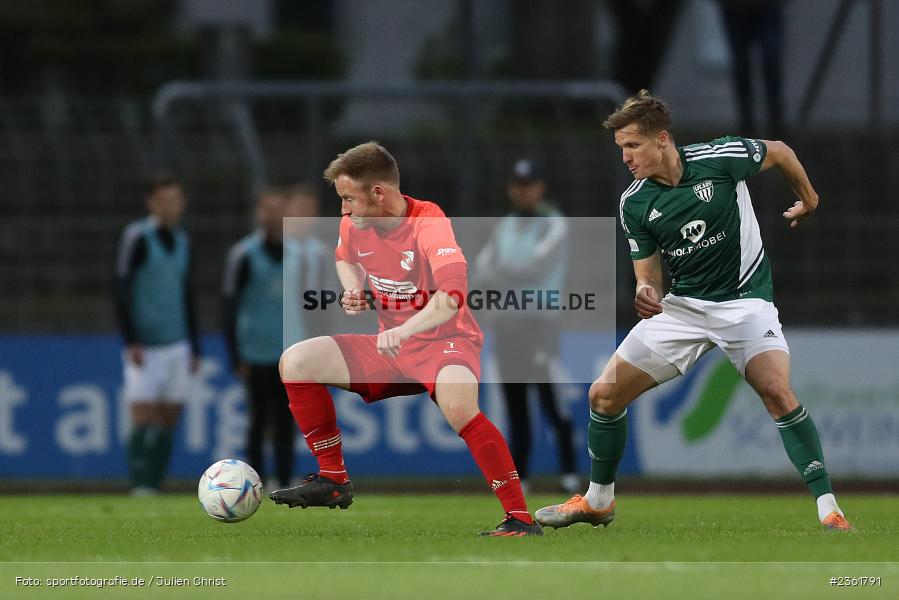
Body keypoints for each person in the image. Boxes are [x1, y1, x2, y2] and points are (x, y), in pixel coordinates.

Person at [535, 90, 852, 532]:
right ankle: (598, 500)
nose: (626, 157)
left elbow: (779, 152)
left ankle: (829, 509)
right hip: (683, 309)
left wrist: (810, 198)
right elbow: (649, 276)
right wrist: (646, 292)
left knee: (775, 390)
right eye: (621, 148)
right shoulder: (635, 203)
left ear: (662, 139)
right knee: (603, 395)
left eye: (633, 146)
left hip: (745, 303)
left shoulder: (720, 158)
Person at [271, 142, 542, 536]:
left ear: (378, 193)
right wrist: (354, 287)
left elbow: (452, 298)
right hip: (392, 348)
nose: (343, 210)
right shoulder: (355, 222)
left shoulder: (429, 222)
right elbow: (344, 256)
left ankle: (519, 519)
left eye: (349, 199)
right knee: (295, 361)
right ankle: (333, 480)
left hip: (446, 342)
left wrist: (404, 329)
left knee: (459, 408)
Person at [474, 158, 578, 494]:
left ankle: (570, 472)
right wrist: (507, 274)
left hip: (540, 323)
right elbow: (481, 270)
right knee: (515, 402)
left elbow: (534, 267)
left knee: (551, 398)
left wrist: (503, 274)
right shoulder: (504, 225)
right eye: (518, 185)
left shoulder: (554, 222)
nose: (523, 191)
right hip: (507, 323)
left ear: (540, 187)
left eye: (529, 184)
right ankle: (523, 477)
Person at [222, 186, 319, 490]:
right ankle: (255, 480)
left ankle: (284, 478)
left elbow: (308, 307)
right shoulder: (244, 255)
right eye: (269, 210)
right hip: (256, 351)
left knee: (287, 420)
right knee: (257, 420)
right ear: (259, 214)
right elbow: (229, 307)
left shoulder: (299, 256)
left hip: (290, 352)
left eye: (280, 210)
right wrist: (236, 355)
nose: (275, 217)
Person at [115, 173, 200, 496]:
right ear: (151, 203)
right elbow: (121, 289)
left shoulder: (183, 241)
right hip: (145, 343)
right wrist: (131, 339)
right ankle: (140, 484)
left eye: (176, 199)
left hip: (177, 340)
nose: (171, 206)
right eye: (164, 200)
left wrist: (194, 344)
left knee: (169, 415)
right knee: (143, 412)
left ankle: (156, 481)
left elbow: (187, 294)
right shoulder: (137, 237)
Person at [717, 0, 786, 135]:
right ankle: (748, 126)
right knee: (742, 67)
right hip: (736, 8)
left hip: (765, 6)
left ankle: (775, 123)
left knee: (770, 62)